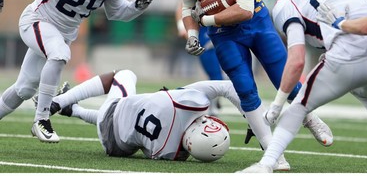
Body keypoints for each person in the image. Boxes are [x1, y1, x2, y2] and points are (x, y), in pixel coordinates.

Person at [166, 0, 332, 164]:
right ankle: (272, 153)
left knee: (283, 80)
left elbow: (243, 10)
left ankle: (310, 118)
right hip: (223, 33)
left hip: (255, 22)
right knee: (245, 89)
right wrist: (192, 34)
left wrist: (205, 18)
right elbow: (188, 6)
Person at [0, 0, 160, 143]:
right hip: (38, 21)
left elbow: (117, 13)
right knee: (59, 54)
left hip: (63, 33)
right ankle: (42, 120)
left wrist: (138, 6)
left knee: (24, 89)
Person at [240, 0, 367, 173]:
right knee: (366, 92)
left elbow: (297, 59)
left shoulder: (288, 2)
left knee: (298, 108)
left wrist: (277, 104)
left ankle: (266, 165)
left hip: (343, 59)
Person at [38, 69, 239, 162]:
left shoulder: (190, 103)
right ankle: (73, 110)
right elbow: (145, 149)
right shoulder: (171, 154)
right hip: (115, 147)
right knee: (128, 123)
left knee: (124, 74)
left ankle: (57, 103)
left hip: (114, 111)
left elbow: (225, 87)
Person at [175, 1, 223, 115]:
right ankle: (213, 105)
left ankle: (214, 102)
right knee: (214, 73)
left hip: (221, 27)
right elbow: (182, 6)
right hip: (204, 31)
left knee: (221, 73)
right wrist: (182, 28)